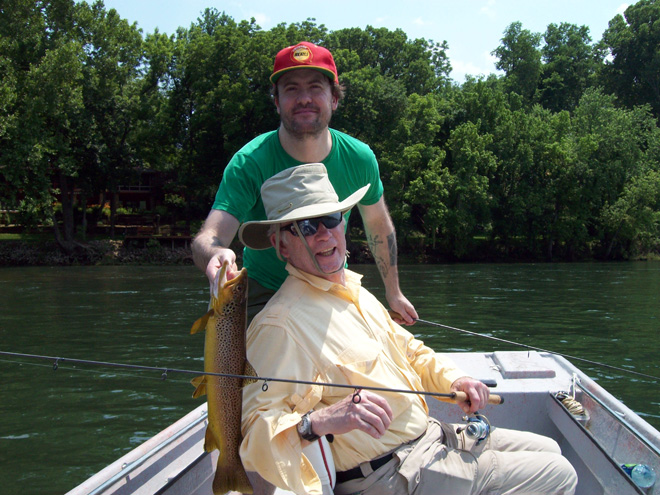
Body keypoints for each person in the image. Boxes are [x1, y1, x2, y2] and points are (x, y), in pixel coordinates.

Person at [237, 163, 578, 495]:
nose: (325, 233)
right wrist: (320, 421)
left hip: (429, 439)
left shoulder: (352, 291)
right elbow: (252, 437)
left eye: (330, 218)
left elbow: (409, 349)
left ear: (343, 223)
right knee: (559, 475)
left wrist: (454, 381)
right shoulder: (279, 326)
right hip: (390, 475)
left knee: (550, 448)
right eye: (306, 226)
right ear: (281, 244)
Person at [191, 41, 417, 326]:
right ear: (276, 102)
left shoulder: (360, 159)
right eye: (291, 89)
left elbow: (378, 227)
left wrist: (393, 293)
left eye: (315, 87)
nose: (304, 99)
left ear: (334, 98)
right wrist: (215, 254)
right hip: (265, 292)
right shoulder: (249, 162)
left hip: (333, 283)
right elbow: (209, 237)